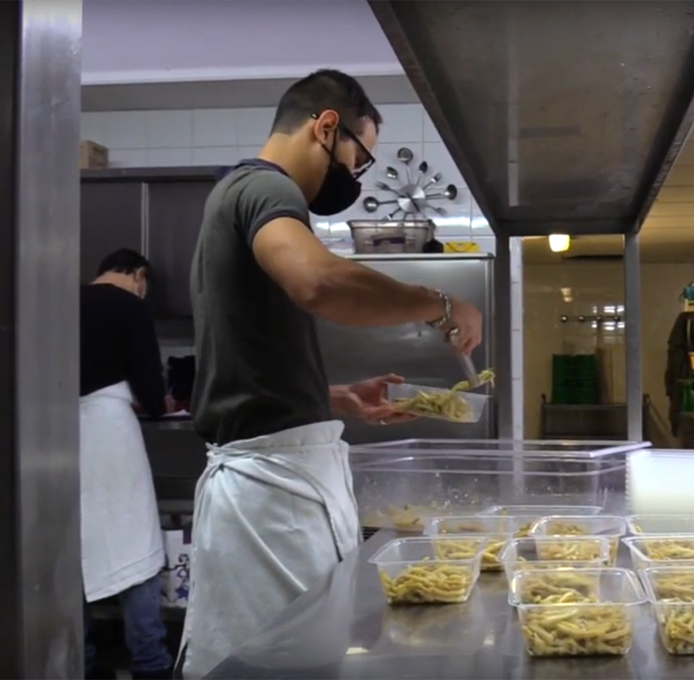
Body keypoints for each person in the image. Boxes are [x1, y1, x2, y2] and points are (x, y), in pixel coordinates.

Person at [179, 69, 483, 677]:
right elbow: (316, 282)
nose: (357, 174)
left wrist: (334, 397)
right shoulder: (265, 190)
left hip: (277, 479)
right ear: (326, 127)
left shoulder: (243, 197)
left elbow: (251, 358)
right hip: (271, 497)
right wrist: (441, 304)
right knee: (283, 663)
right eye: (360, 157)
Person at [80, 249, 175, 680]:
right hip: (108, 432)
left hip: (48, 436)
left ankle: (79, 660)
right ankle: (150, 660)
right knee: (134, 542)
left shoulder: (58, 301)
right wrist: (159, 402)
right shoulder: (131, 306)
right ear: (139, 275)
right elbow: (151, 388)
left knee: (72, 545)